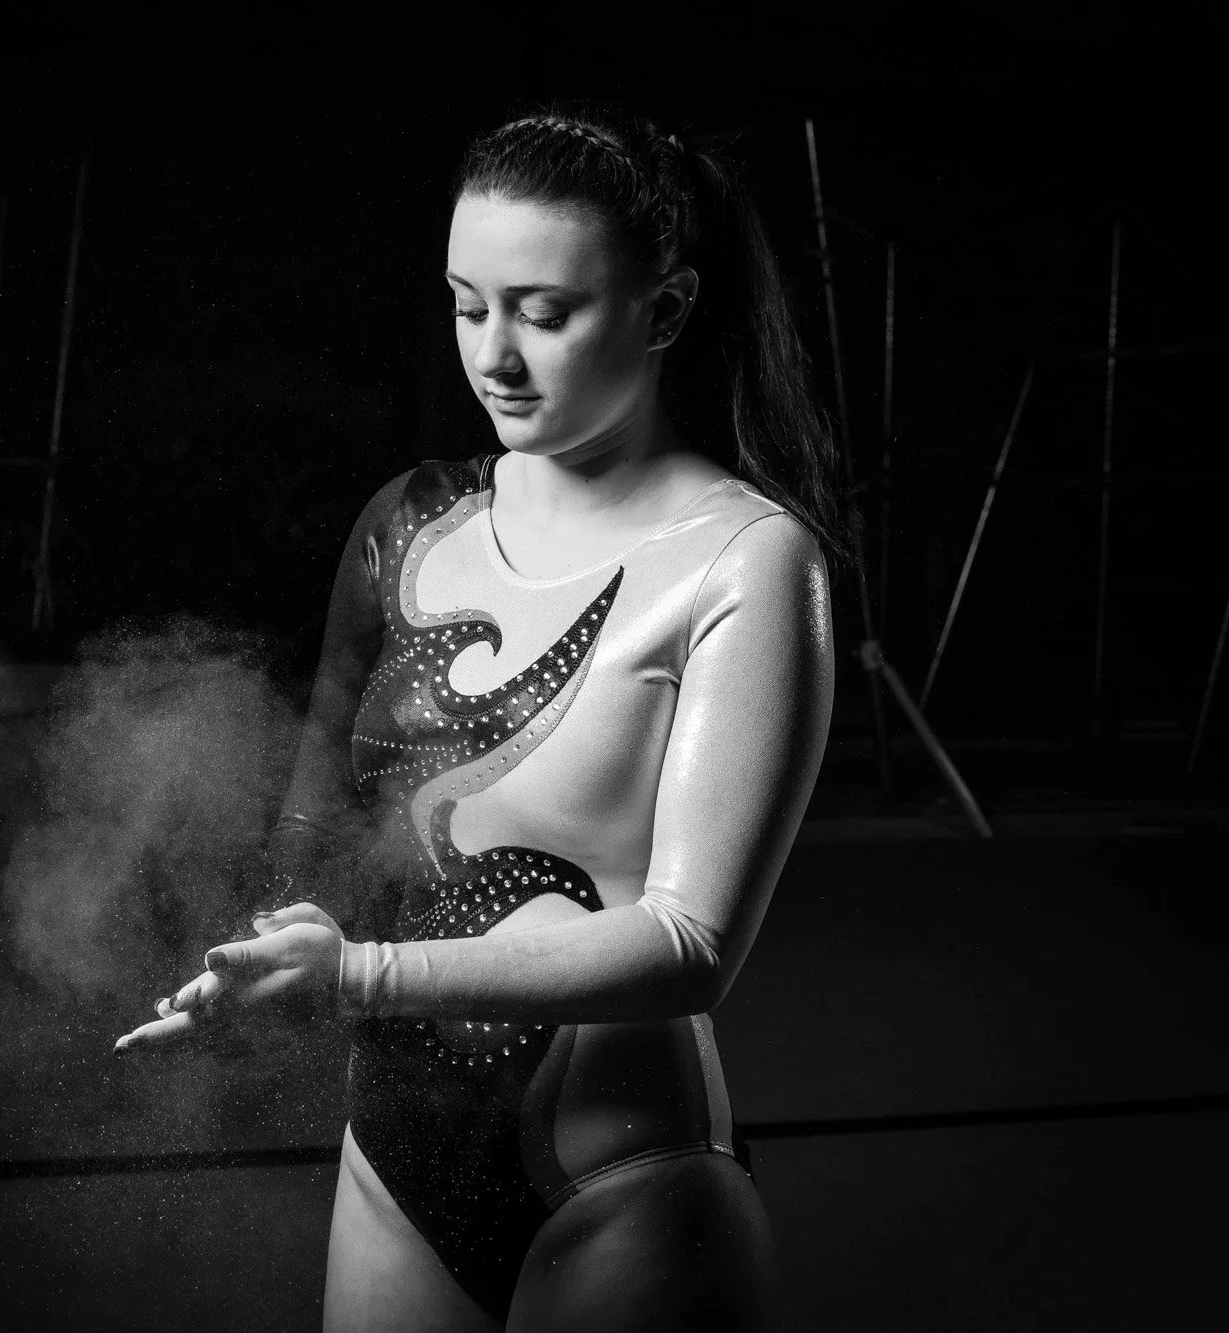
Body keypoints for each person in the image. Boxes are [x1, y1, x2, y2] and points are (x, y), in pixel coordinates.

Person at [115, 107, 844, 1331]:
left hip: (617, 1173)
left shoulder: (744, 560)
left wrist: (355, 974)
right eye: (466, 305)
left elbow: (689, 946)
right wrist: (248, 971)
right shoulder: (409, 520)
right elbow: (314, 835)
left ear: (664, 311)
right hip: (393, 1163)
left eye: (543, 313)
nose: (493, 355)